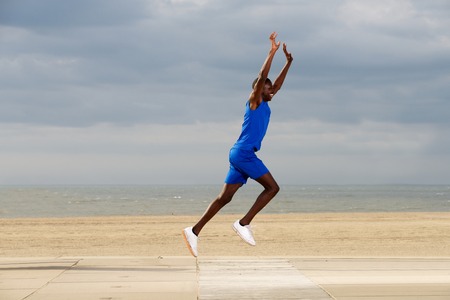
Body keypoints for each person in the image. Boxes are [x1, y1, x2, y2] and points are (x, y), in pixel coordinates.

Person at [183, 32, 293, 257]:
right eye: (267, 87)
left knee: (225, 198)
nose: (271, 90)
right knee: (272, 188)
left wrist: (288, 62)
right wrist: (271, 53)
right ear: (258, 89)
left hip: (238, 154)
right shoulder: (254, 101)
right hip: (244, 154)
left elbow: (277, 85)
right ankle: (243, 223)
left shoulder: (266, 102)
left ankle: (193, 231)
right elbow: (263, 76)